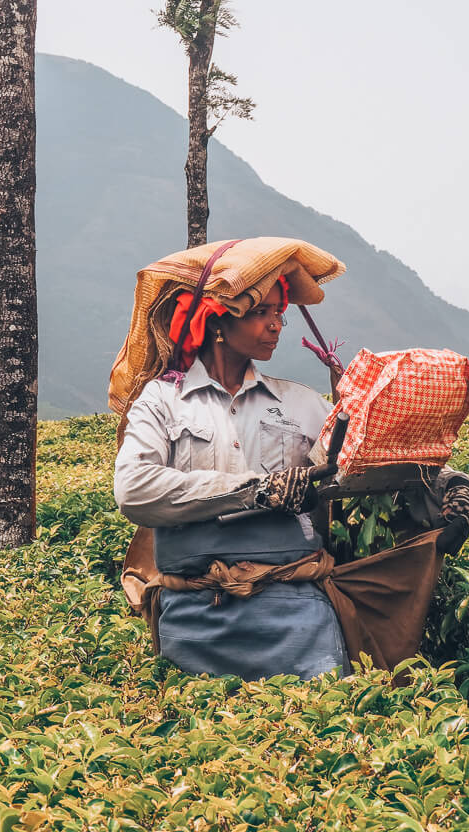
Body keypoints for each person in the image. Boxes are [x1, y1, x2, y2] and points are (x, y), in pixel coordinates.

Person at [114, 278, 348, 681]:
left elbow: (362, 458)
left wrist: (450, 487)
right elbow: (134, 489)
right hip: (195, 616)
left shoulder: (301, 403)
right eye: (261, 313)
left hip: (296, 614)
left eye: (279, 313)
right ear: (217, 323)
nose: (275, 325)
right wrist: (257, 491)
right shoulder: (162, 401)